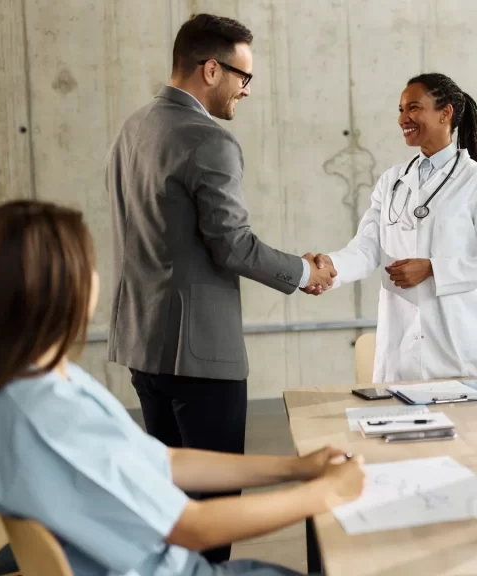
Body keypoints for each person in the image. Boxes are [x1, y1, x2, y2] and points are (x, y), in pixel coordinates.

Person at [0, 200, 364, 576]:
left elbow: (163, 462)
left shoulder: (30, 380)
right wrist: (323, 492)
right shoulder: (47, 412)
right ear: (60, 288)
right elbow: (191, 527)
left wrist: (295, 468)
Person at [103, 14, 335, 563]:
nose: (246, 91)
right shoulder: (210, 140)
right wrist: (304, 273)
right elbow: (231, 244)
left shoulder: (133, 128)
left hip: (143, 343)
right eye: (243, 77)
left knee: (167, 502)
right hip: (202, 356)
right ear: (212, 69)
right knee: (213, 512)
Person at [322, 73, 477, 383]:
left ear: (445, 113)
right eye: (400, 110)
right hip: (402, 344)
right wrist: (327, 268)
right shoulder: (392, 181)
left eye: (413, 108)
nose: (403, 118)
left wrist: (433, 269)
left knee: (467, 428)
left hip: (460, 346)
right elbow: (367, 248)